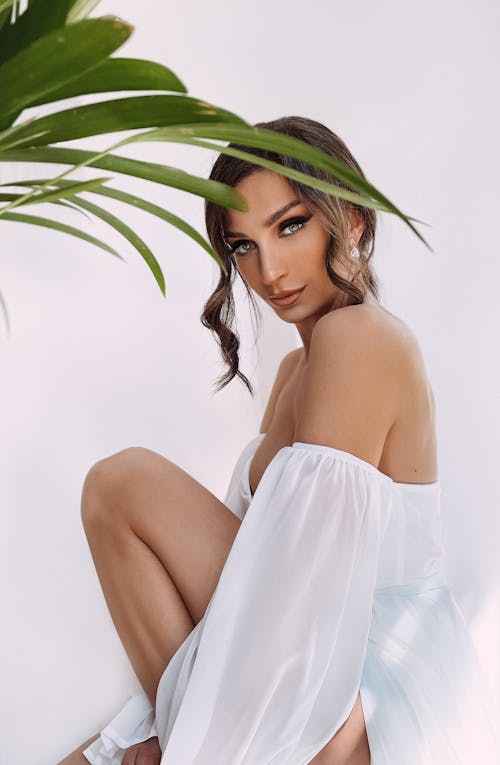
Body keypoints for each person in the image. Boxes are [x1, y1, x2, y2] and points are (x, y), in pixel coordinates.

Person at [58, 116, 500, 765]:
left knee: (121, 482)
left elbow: (304, 583)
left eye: (290, 225)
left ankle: (185, 741)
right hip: (288, 655)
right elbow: (259, 576)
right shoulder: (300, 368)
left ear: (350, 218)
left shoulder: (361, 338)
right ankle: (180, 734)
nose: (268, 269)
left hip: (356, 685)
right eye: (242, 245)